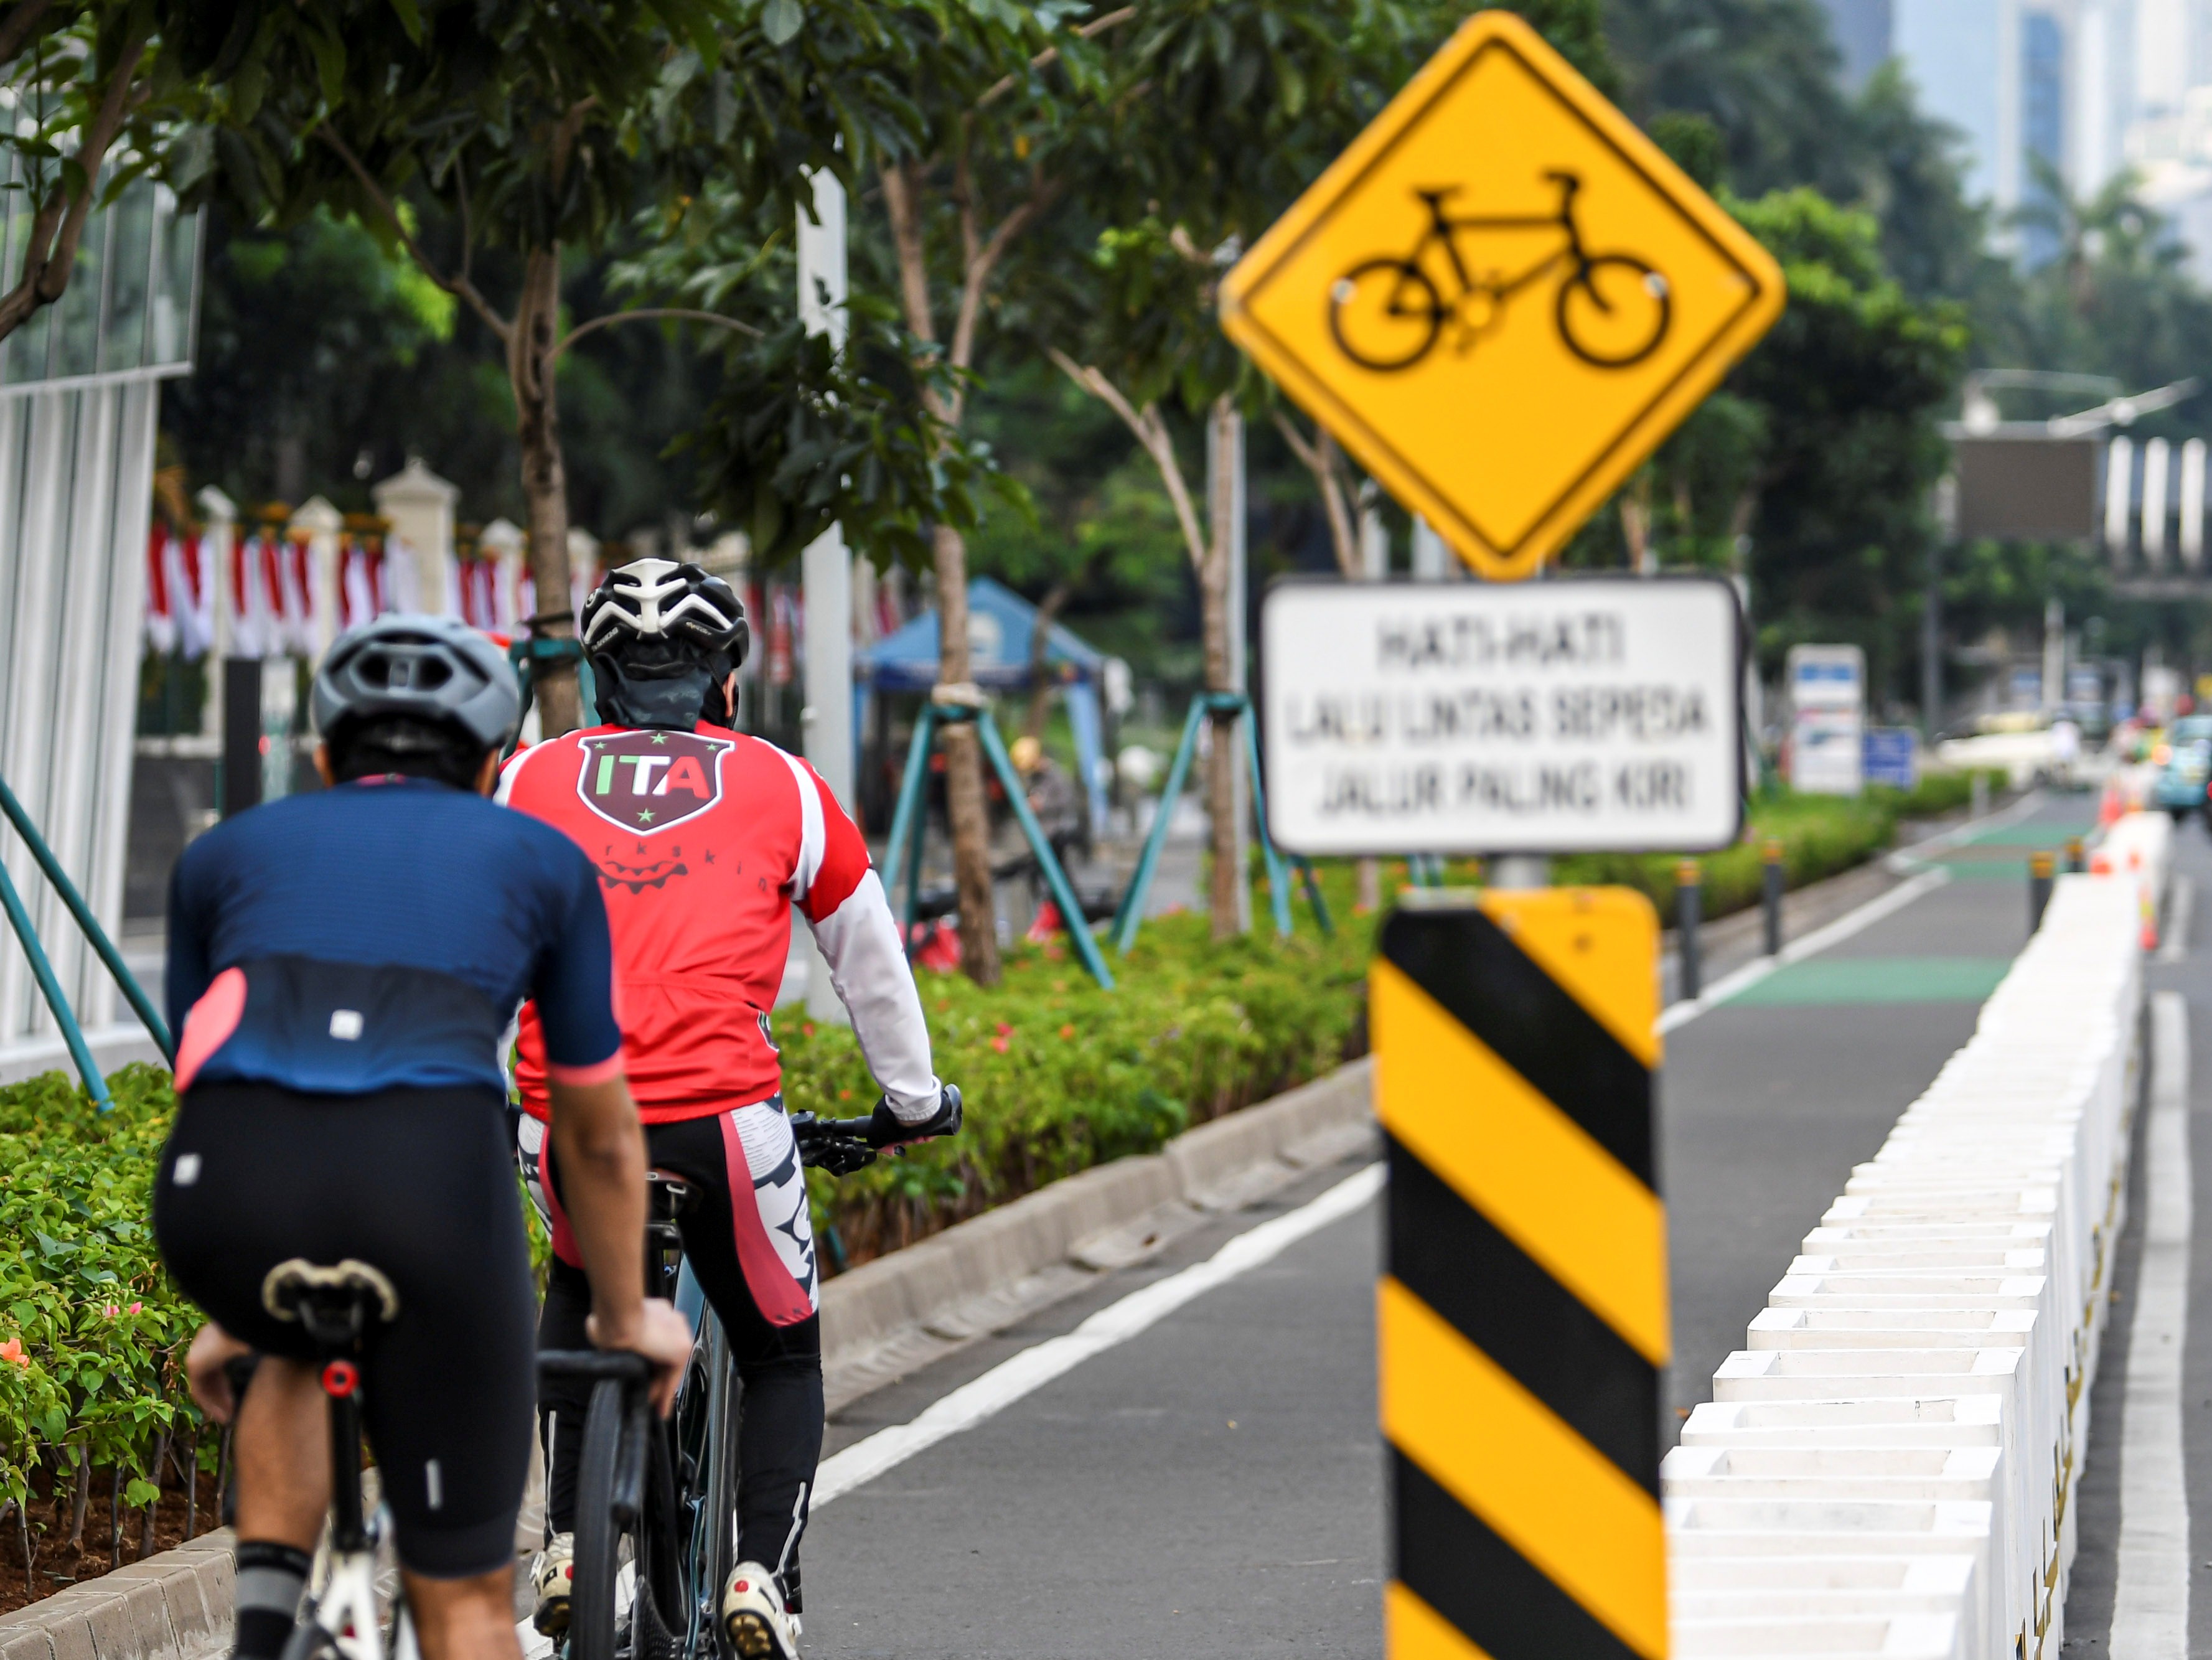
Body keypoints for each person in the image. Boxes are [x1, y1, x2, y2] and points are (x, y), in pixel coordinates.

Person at [154, 615, 693, 1660]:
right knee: (465, 1602)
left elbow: (211, 1078)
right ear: (496, 761)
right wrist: (626, 1316)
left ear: (323, 755)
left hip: (224, 1190)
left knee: (285, 1337)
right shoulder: (540, 859)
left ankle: (260, 1633)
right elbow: (597, 1133)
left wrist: (236, 1304)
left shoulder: (218, 858)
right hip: (427, 1179)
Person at [499, 558, 958, 1660]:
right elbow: (870, 958)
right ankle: (767, 1576)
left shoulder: (524, 777)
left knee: (576, 1279)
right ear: (726, 682)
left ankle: (565, 1544)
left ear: (601, 681)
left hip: (559, 1112)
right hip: (723, 1113)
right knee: (782, 1351)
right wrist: (910, 1102)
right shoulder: (783, 783)